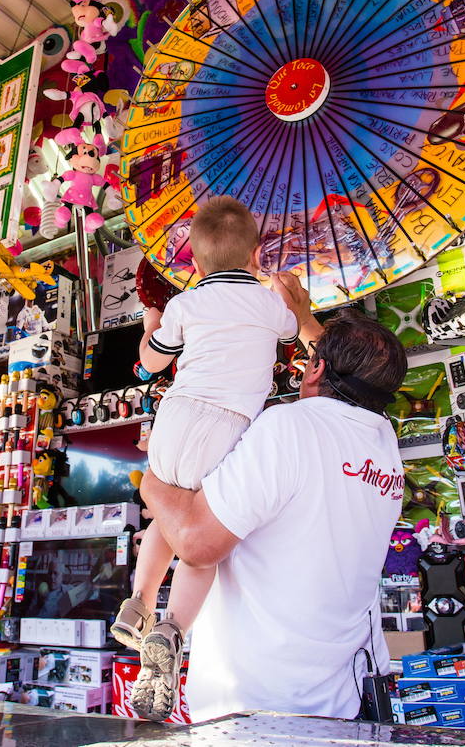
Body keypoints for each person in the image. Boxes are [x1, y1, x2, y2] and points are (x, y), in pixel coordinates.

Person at [139, 274, 407, 723]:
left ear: (315, 369)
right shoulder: (385, 445)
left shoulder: (291, 427)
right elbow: (359, 377)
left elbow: (195, 543)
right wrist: (302, 320)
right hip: (346, 696)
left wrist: (153, 480)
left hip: (258, 704)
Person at [114, 196, 299, 721]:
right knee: (199, 541)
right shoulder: (269, 304)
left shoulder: (185, 304)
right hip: (230, 426)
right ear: (256, 253)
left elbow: (151, 361)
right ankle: (172, 629)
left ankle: (140, 600)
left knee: (167, 513)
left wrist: (150, 325)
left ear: (194, 263)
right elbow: (288, 334)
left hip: (176, 418)